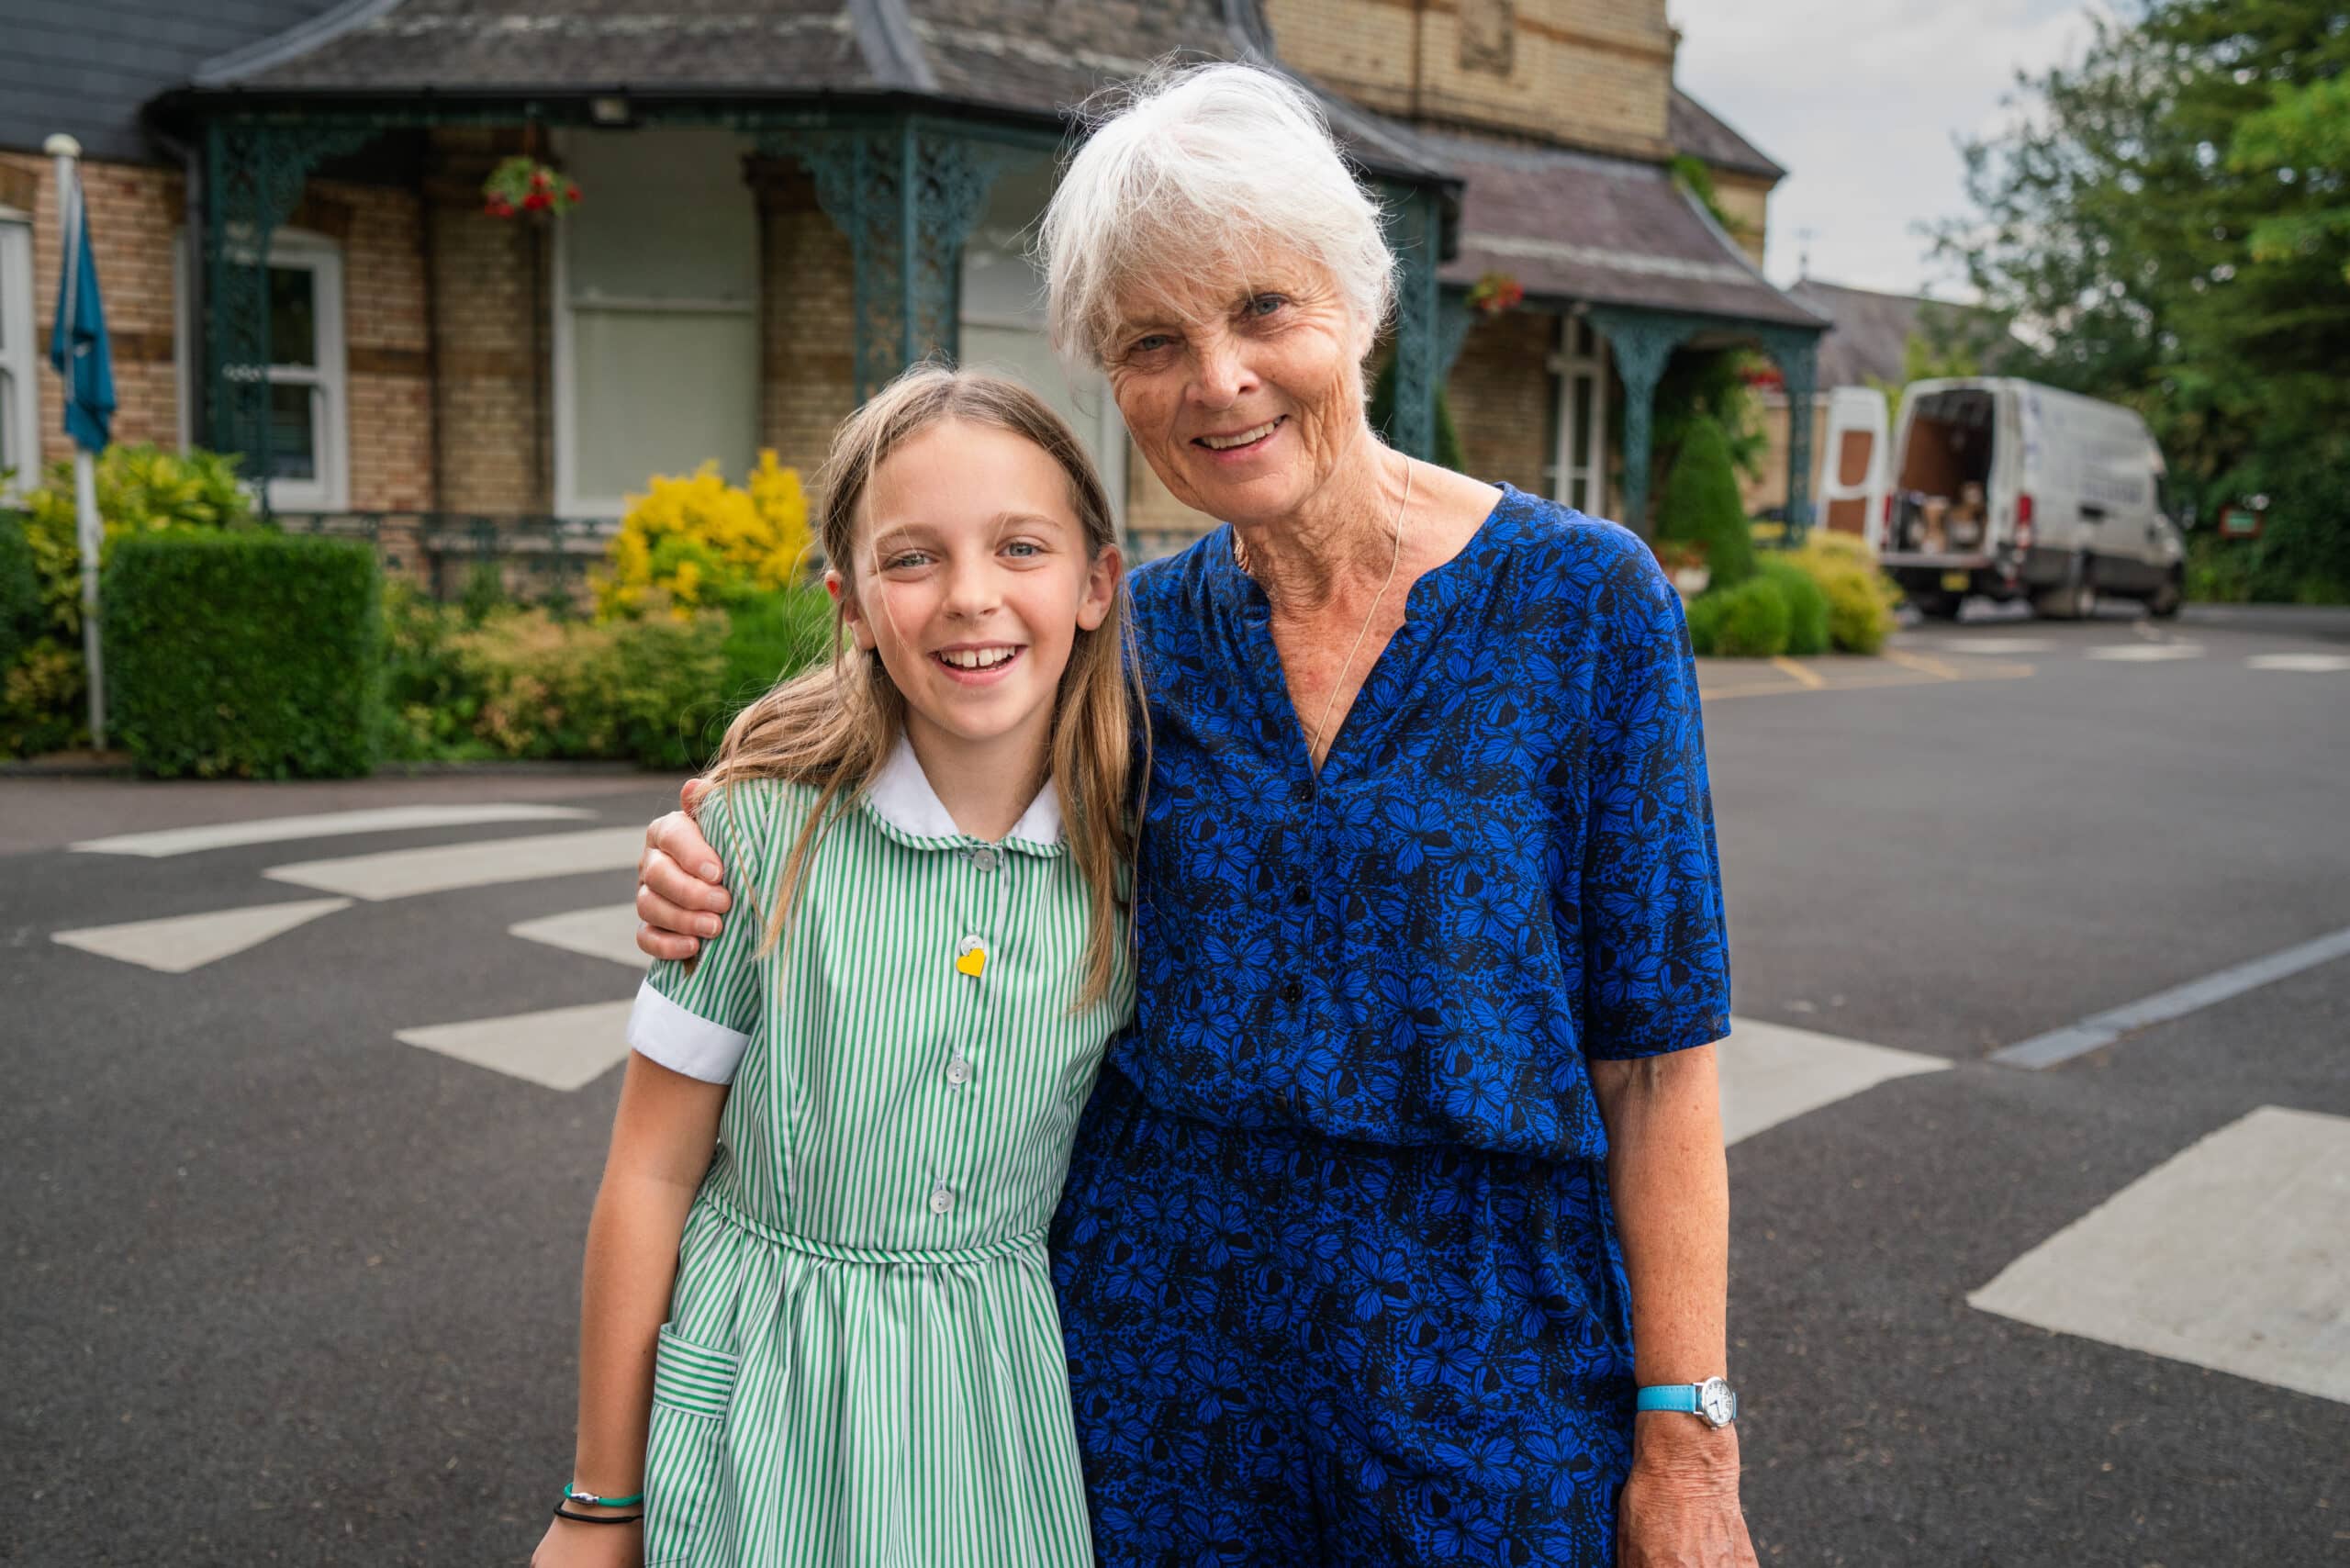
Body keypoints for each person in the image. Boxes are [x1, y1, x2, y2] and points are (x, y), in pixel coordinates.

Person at [635, 62, 1758, 1568]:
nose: (1216, 379)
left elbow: (1660, 1070)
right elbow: (900, 740)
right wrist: (715, 822)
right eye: (1153, 342)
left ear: (1357, 307)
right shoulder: (1128, 641)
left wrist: (1686, 1447)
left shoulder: (1584, 603)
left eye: (1262, 313)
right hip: (1157, 1372)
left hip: (1490, 1369)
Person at [534, 366, 1139, 1568]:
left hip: (989, 1397)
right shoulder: (755, 840)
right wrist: (597, 1502)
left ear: (1095, 584)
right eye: (911, 559)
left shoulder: (1135, 857)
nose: (971, 597)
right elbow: (650, 1175)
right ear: (853, 602)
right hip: (766, 1378)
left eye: (1020, 546)